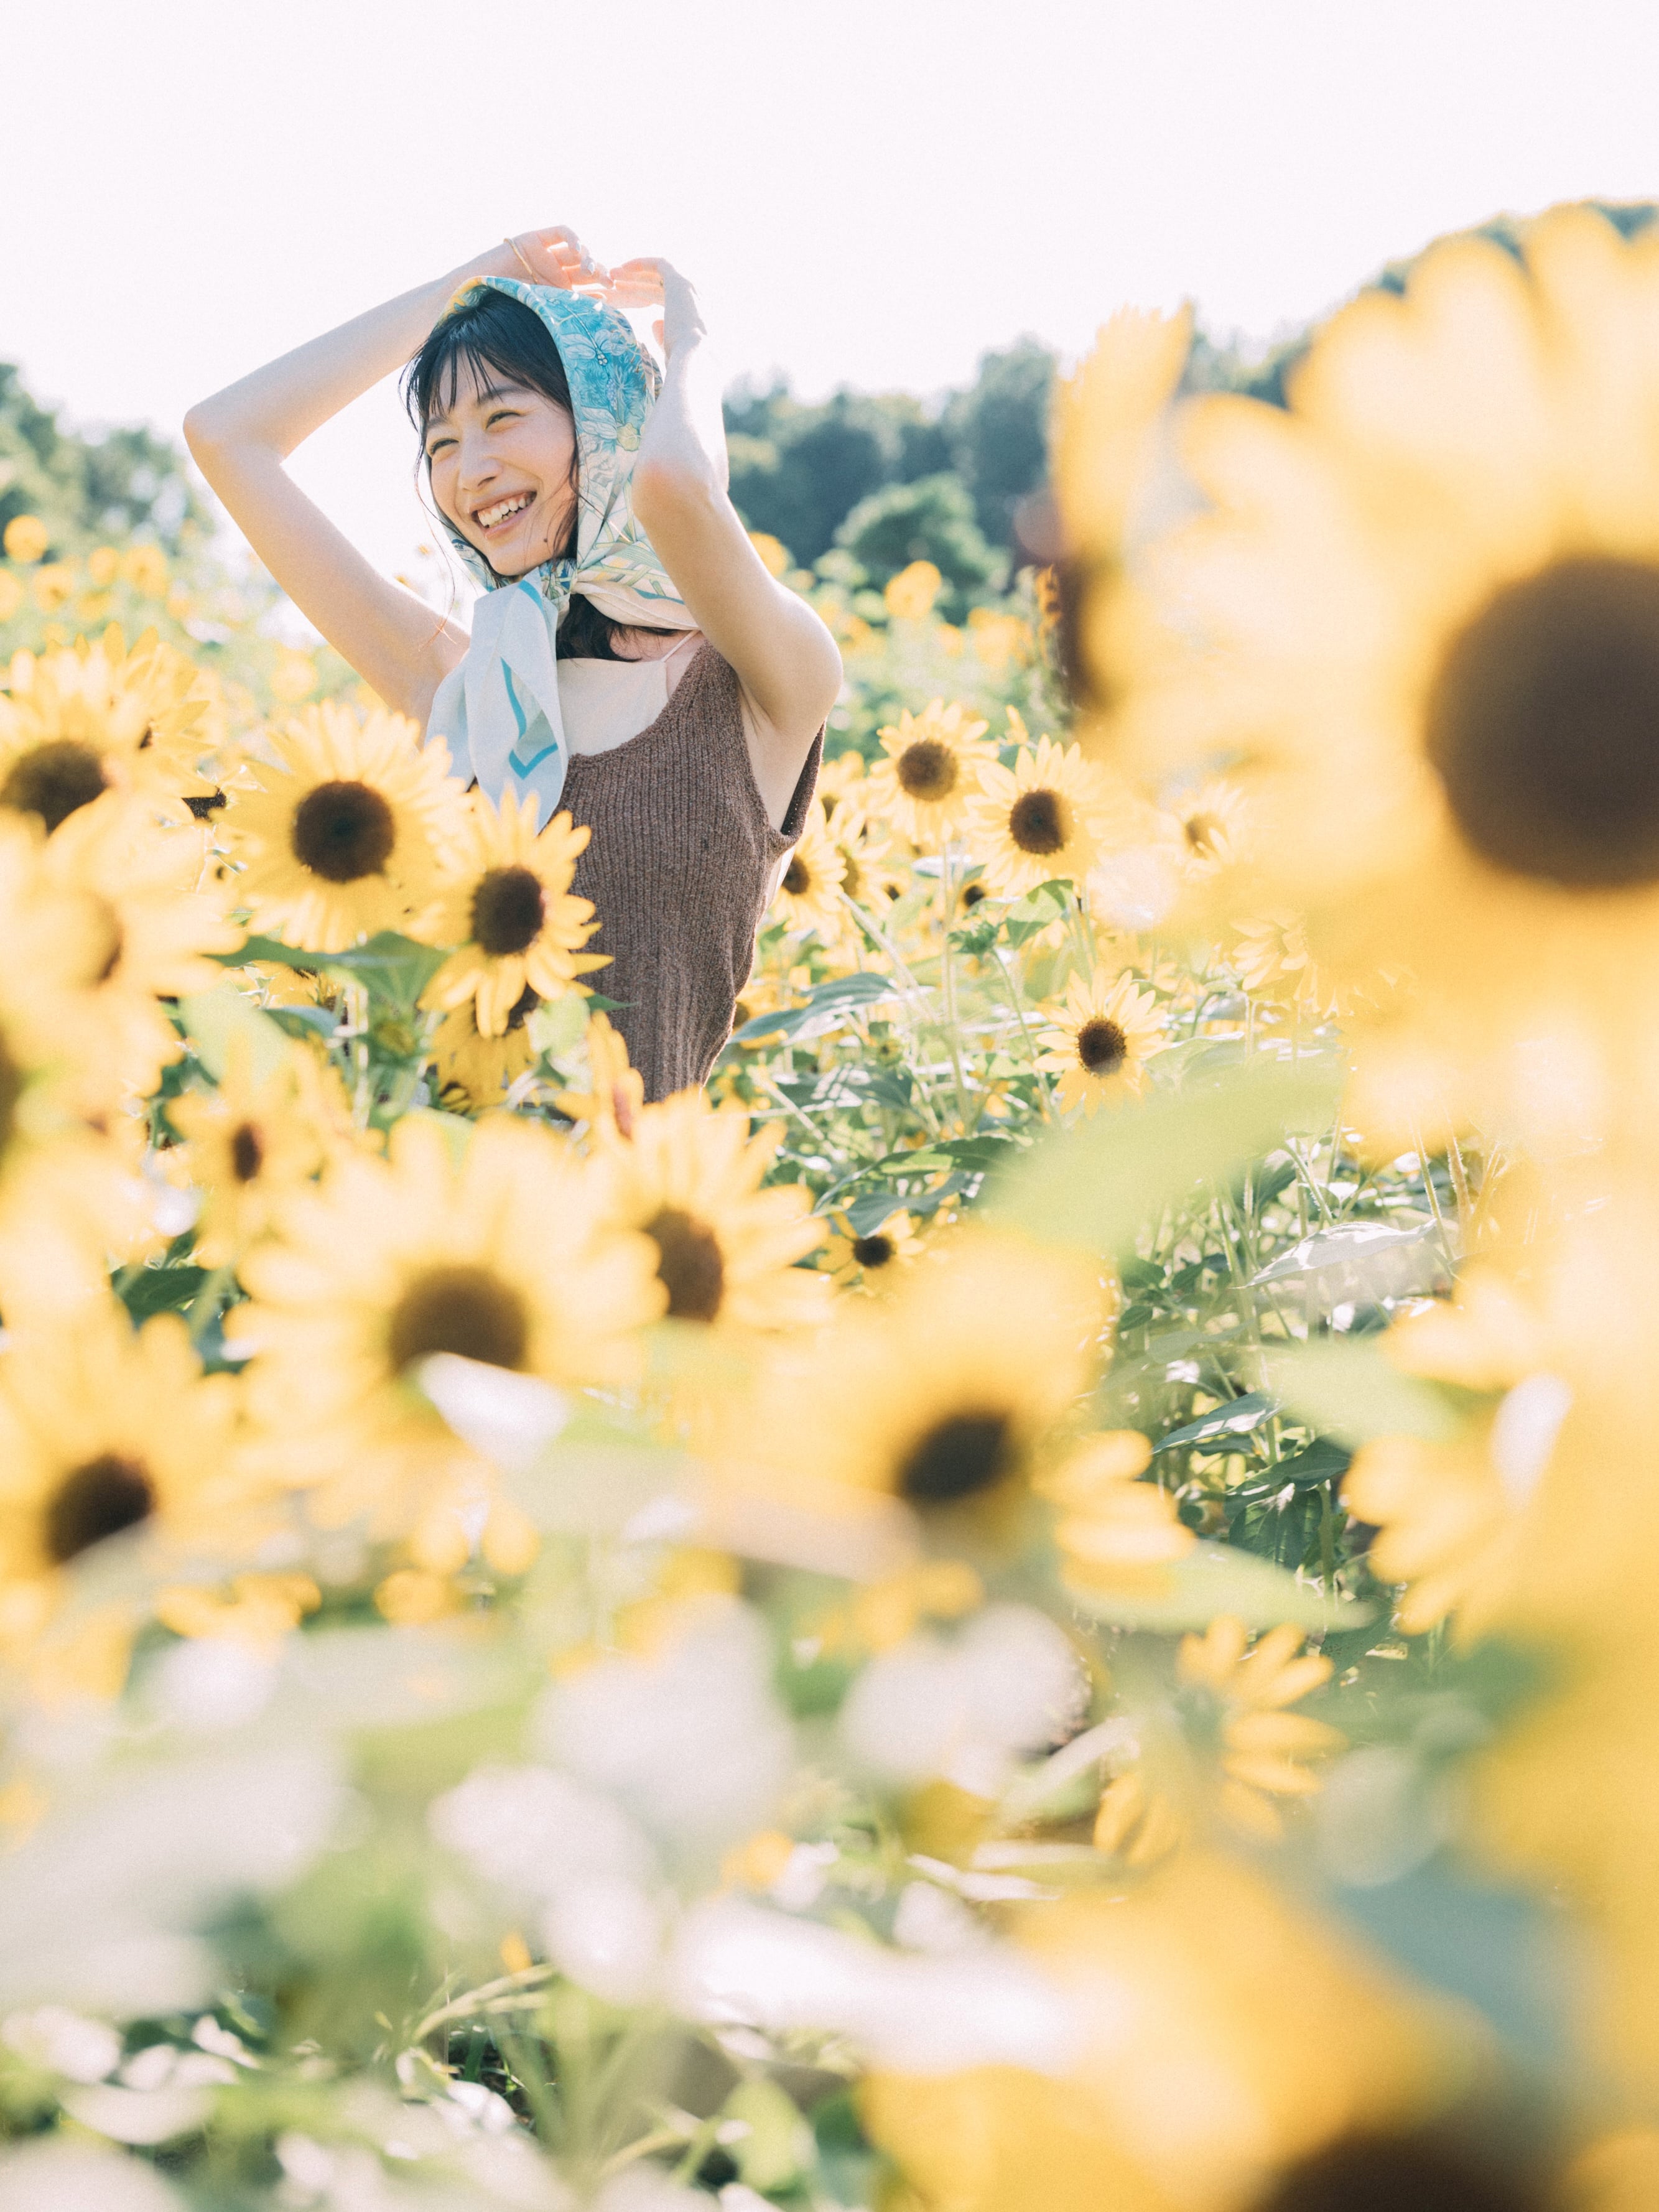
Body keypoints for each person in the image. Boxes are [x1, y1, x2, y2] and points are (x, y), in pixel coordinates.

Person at [185, 226, 842, 1100]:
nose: (472, 472)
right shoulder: (467, 686)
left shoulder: (762, 687)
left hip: (627, 1219)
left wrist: (690, 342)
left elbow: (674, 486)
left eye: (502, 418)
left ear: (606, 426)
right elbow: (227, 435)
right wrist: (465, 283)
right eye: (442, 445)